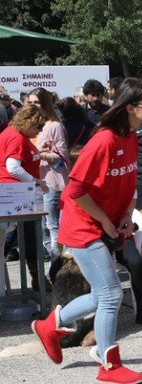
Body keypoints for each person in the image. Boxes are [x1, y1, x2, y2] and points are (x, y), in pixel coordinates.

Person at [31, 78, 142, 384]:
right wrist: (105, 221)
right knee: (111, 294)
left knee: (103, 295)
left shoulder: (130, 137)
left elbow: (128, 181)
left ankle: (49, 326)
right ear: (131, 107)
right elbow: (75, 191)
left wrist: (126, 215)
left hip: (105, 224)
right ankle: (108, 363)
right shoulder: (104, 141)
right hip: (84, 226)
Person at [0, 104, 50, 297]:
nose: (40, 130)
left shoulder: (15, 134)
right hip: (17, 197)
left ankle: (38, 279)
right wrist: (35, 181)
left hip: (17, 197)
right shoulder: (16, 137)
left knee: (24, 237)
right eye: (39, 126)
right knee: (28, 237)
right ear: (28, 122)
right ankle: (38, 280)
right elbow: (13, 167)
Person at [30, 88, 70, 260]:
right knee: (43, 227)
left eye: (37, 102)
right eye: (30, 102)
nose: (33, 106)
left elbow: (62, 155)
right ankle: (56, 262)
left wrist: (39, 154)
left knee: (53, 226)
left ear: (45, 103)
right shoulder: (30, 126)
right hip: (35, 181)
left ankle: (58, 264)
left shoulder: (54, 126)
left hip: (51, 181)